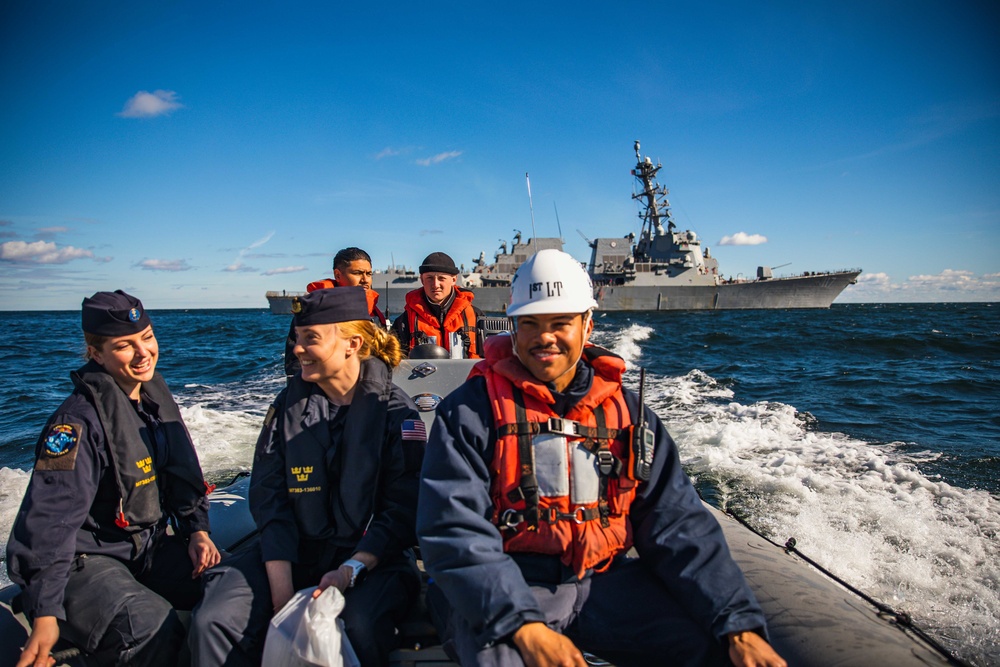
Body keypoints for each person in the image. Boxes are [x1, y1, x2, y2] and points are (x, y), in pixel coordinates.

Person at [416, 250, 787, 667]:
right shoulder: (471, 412)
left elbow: (678, 523)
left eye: (561, 323)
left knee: (712, 650)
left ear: (587, 326)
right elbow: (452, 529)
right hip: (506, 586)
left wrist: (737, 624)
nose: (545, 337)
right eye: (531, 324)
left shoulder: (629, 415)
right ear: (513, 328)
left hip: (603, 583)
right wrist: (524, 624)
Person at [189, 287, 425, 667]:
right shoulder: (287, 408)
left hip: (370, 560)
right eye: (297, 338)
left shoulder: (397, 413)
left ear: (352, 344)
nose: (297, 349)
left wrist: (351, 569)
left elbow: (402, 508)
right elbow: (269, 497)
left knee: (358, 624)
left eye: (310, 339)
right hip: (293, 552)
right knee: (214, 618)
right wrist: (281, 590)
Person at [7, 290, 220, 667]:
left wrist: (197, 531)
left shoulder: (151, 402)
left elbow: (182, 479)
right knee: (147, 626)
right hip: (86, 560)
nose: (143, 354)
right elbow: (49, 521)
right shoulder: (75, 425)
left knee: (231, 583)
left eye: (147, 337)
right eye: (124, 346)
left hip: (146, 549)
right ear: (96, 354)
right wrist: (46, 613)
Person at [284, 247, 386, 377]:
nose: (365, 280)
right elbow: (295, 364)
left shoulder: (375, 315)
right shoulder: (313, 314)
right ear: (338, 275)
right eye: (357, 273)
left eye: (369, 274)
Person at [391, 251, 482, 358]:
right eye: (429, 278)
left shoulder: (476, 317)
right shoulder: (404, 322)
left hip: (466, 375)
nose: (435, 284)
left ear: (454, 279)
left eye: (441, 278)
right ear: (422, 280)